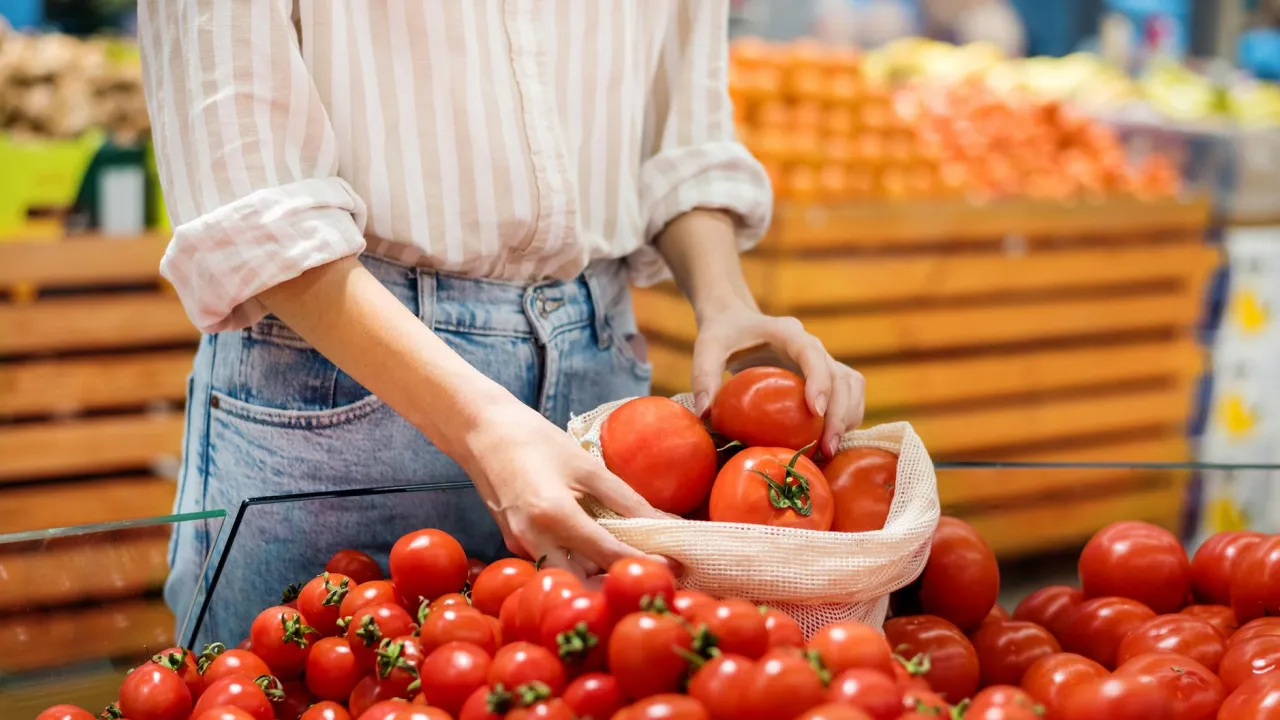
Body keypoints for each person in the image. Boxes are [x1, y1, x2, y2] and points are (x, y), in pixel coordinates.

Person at [140, 1, 866, 642]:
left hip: (600, 366)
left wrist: (727, 302)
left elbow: (682, 127)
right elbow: (247, 192)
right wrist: (483, 424)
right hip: (345, 372)